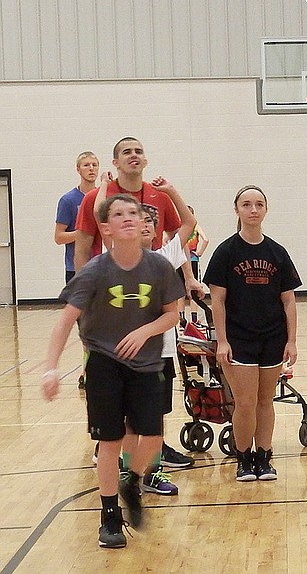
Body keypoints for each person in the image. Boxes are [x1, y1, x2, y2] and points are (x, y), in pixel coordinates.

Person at [41, 193, 184, 548]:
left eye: (132, 212)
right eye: (118, 214)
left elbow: (172, 313)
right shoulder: (95, 271)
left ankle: (132, 481)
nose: (127, 218)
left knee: (151, 439)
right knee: (110, 441)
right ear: (106, 227)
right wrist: (50, 368)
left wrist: (145, 330)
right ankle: (109, 517)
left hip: (147, 362)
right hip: (105, 361)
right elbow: (65, 322)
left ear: (143, 223)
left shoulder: (159, 267)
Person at [93, 176, 199, 494]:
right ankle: (127, 471)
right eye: (142, 222)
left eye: (151, 222)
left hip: (159, 353)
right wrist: (104, 188)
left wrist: (169, 191)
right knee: (126, 422)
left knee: (155, 418)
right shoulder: (113, 260)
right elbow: (101, 214)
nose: (146, 227)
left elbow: (190, 224)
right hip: (121, 355)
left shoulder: (165, 257)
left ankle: (149, 472)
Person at [204, 185, 301, 482]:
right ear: (237, 210)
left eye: (259, 204)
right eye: (247, 204)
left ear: (266, 210)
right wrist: (221, 340)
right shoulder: (226, 252)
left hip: (272, 337)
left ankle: (264, 456)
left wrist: (291, 340)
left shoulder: (277, 252)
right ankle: (244, 458)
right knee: (245, 402)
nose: (253, 209)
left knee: (265, 401)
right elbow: (216, 300)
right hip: (238, 339)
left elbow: (288, 301)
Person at [74, 137, 181, 270]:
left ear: (145, 162)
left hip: (151, 275)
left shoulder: (161, 195)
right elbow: (81, 251)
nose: (134, 155)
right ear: (115, 162)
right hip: (110, 276)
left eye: (138, 151)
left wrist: (189, 277)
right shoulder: (94, 198)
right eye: (127, 152)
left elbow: (178, 238)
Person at [54, 151, 99, 284]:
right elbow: (59, 237)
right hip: (75, 268)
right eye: (86, 165)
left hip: (101, 265)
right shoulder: (68, 200)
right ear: (78, 169)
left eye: (94, 165)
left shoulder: (104, 197)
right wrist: (83, 233)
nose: (91, 168)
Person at [182, 206, 210, 325]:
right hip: (192, 259)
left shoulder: (180, 227)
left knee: (181, 290)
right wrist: (199, 253)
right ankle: (194, 319)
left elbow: (165, 240)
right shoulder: (195, 226)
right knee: (194, 289)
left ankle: (181, 318)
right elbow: (206, 239)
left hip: (181, 260)